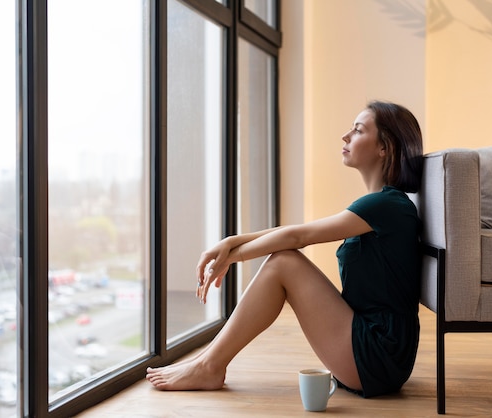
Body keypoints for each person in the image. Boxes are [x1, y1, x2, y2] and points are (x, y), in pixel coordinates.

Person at [146, 100, 424, 398]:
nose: (345, 136)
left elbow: (297, 237)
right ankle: (206, 362)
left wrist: (235, 255)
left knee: (284, 262)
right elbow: (291, 233)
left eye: (358, 130)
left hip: (378, 355)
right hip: (378, 352)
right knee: (284, 259)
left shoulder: (387, 204)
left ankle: (210, 365)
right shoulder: (382, 205)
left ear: (385, 147)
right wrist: (231, 243)